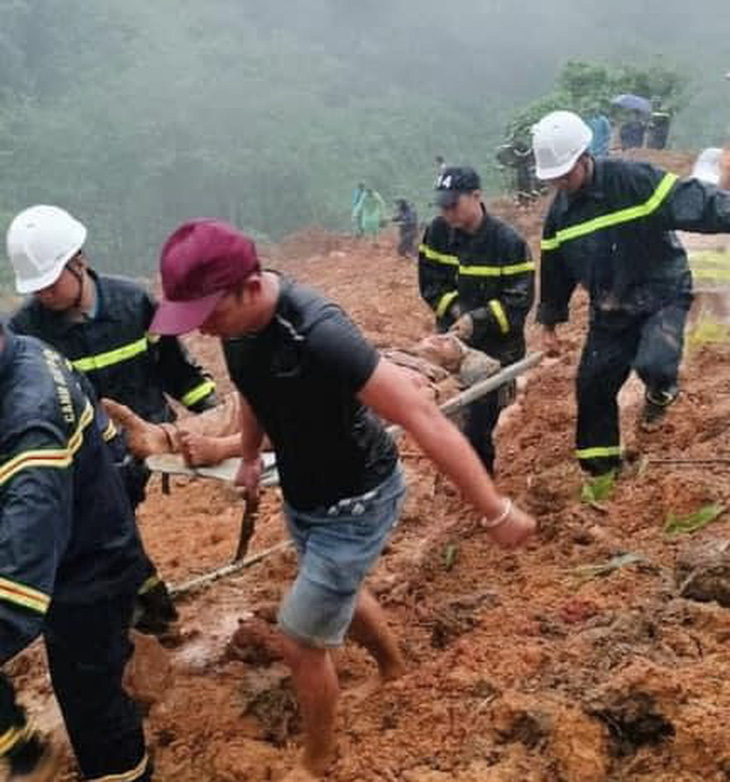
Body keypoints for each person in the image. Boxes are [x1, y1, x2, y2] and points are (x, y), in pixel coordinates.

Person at [148, 218, 536, 780]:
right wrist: (251, 456)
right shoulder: (238, 329)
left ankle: (317, 760)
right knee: (340, 591)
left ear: (249, 287)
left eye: (208, 315)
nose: (201, 331)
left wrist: (494, 509)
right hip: (307, 495)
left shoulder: (320, 333)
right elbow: (252, 388)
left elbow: (421, 416)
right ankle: (392, 666)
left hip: (358, 500)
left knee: (300, 639)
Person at [6, 204, 218, 635]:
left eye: (50, 282)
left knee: (108, 527)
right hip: (85, 454)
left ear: (78, 261)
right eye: (37, 287)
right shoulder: (27, 331)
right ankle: (146, 604)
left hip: (145, 442)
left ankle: (143, 608)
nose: (43, 293)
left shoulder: (134, 302)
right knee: (98, 528)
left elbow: (177, 371)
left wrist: (218, 422)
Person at [532, 110, 730, 477]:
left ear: (584, 156)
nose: (561, 183)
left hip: (663, 291)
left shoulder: (632, 180)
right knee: (592, 385)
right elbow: (554, 270)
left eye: (566, 174)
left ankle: (661, 391)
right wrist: (550, 322)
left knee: (654, 362)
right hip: (609, 309)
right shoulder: (559, 215)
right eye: (554, 179)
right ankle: (602, 471)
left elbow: (693, 201)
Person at [0, 327, 150, 782]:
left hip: (86, 574)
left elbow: (17, 597)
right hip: (98, 537)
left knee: (94, 707)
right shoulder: (31, 348)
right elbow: (109, 443)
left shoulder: (30, 424)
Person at [418, 166, 535, 475]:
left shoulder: (508, 243)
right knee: (449, 417)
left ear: (476, 197)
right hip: (454, 344)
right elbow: (430, 285)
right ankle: (466, 477)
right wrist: (457, 312)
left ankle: (482, 486)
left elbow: (519, 302)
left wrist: (478, 320)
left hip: (498, 348)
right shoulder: (437, 234)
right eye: (442, 206)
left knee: (477, 424)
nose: (447, 213)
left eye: (453, 205)